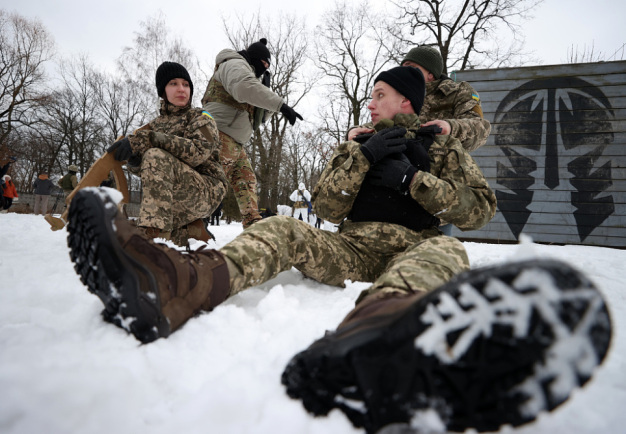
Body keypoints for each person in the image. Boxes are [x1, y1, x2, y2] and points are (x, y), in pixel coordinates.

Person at [67, 66, 611, 433]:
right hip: (348, 247)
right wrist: (363, 157)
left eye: (378, 95)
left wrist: (414, 182)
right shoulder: (355, 141)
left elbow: (479, 209)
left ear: (406, 102)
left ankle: (381, 334)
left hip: (412, 247)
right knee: (281, 229)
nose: (369, 103)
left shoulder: (441, 146)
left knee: (448, 256)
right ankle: (175, 283)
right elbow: (325, 207)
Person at [348, 45, 491, 236]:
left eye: (413, 67)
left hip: (437, 184)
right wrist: (357, 132)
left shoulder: (458, 93)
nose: (407, 71)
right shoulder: (399, 89)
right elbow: (383, 119)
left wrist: (450, 128)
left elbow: (480, 129)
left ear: (431, 73)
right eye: (404, 66)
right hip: (391, 188)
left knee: (433, 246)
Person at [106, 61, 228, 246]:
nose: (181, 89)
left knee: (156, 155)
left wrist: (147, 140)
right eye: (173, 83)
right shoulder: (155, 125)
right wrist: (135, 161)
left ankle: (153, 236)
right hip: (174, 195)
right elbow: (153, 170)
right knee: (153, 158)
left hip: (207, 191)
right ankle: (189, 232)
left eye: (186, 84)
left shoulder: (201, 118)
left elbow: (198, 152)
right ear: (163, 90)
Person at [202, 38, 304, 228]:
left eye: (267, 66)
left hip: (235, 142)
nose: (264, 68)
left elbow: (258, 120)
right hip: (217, 135)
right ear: (255, 58)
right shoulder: (233, 64)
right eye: (263, 63)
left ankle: (253, 225)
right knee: (212, 183)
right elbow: (243, 87)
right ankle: (194, 221)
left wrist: (267, 93)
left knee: (246, 181)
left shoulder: (252, 76)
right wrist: (280, 105)